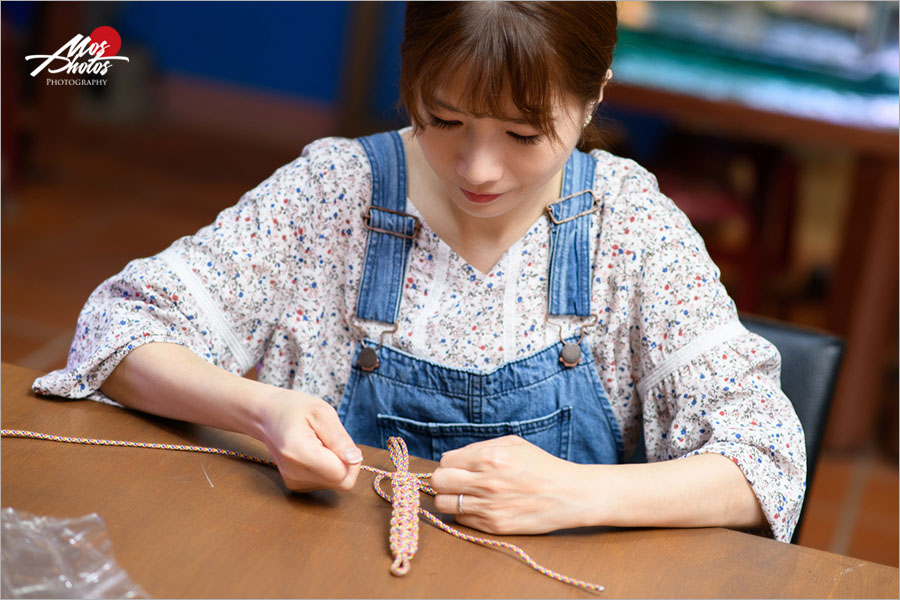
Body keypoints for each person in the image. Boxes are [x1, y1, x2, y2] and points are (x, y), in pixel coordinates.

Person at [33, 2, 805, 543]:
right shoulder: (336, 193)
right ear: (411, 80)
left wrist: (576, 492)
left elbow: (764, 459)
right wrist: (260, 410)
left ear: (597, 88)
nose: (479, 169)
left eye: (523, 134)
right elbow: (120, 329)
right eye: (445, 120)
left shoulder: (626, 226)